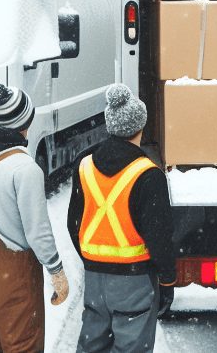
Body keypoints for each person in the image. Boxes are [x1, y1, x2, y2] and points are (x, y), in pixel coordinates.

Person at [68, 84, 176, 353]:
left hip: (95, 279)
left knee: (92, 345)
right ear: (141, 128)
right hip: (134, 282)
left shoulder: (84, 165)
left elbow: (73, 224)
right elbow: (159, 237)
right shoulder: (149, 174)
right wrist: (167, 281)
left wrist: (93, 261)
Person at [0, 83, 70, 353]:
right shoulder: (24, 168)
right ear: (26, 121)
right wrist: (56, 271)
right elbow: (38, 231)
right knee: (23, 345)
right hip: (14, 276)